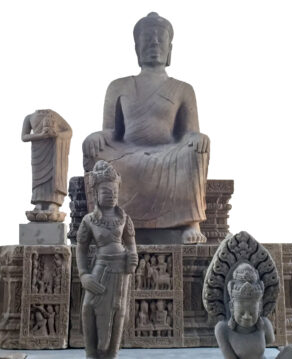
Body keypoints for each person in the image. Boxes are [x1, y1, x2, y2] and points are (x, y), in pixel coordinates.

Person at [82, 12, 210, 243]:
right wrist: (96, 136)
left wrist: (197, 138)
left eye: (160, 39)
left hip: (169, 154)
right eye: (147, 39)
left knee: (196, 150)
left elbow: (189, 132)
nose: (154, 44)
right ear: (136, 48)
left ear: (169, 49)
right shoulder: (118, 86)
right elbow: (111, 131)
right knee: (97, 156)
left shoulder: (183, 89)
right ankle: (106, 223)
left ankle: (191, 223)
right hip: (127, 152)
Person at [76, 160, 138, 359]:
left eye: (115, 193)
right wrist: (84, 274)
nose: (112, 197)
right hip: (100, 267)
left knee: (118, 310)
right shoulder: (89, 220)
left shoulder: (124, 218)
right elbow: (81, 248)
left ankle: (112, 353)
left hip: (121, 269)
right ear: (95, 194)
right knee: (88, 307)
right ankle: (91, 353)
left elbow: (130, 242)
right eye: (106, 193)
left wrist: (133, 256)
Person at [215, 263, 275, 359]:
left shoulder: (265, 325)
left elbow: (270, 339)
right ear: (231, 307)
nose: (247, 316)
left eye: (252, 312)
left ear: (259, 308)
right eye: (242, 312)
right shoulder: (222, 329)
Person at [21, 109, 72, 220]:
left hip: (53, 150)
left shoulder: (54, 115)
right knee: (38, 177)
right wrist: (40, 135)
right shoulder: (29, 117)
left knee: (54, 173)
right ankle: (39, 203)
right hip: (38, 151)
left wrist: (56, 135)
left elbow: (69, 131)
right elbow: (24, 137)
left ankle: (54, 203)